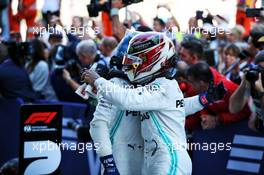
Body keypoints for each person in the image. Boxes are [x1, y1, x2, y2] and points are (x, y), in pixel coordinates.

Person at [83, 32, 226, 174]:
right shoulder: (160, 86)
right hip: (153, 160)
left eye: (135, 61)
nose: (129, 66)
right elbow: (177, 107)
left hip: (168, 160)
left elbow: (128, 100)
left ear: (154, 60)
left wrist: (98, 81)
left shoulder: (162, 86)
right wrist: (204, 99)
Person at [186, 62, 251, 130]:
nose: (191, 86)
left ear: (201, 83)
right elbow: (201, 101)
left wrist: (217, 119)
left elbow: (245, 112)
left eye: (192, 83)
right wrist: (204, 116)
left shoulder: (228, 89)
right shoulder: (202, 82)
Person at [229, 50, 264, 132]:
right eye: (260, 69)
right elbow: (233, 109)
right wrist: (244, 83)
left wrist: (261, 92)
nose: (262, 73)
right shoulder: (255, 81)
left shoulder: (259, 86)